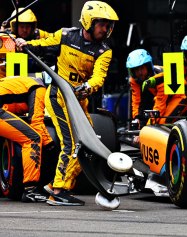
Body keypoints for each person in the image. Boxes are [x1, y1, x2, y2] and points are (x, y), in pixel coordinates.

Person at [15, 0, 119, 206]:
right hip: (57, 96)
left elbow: (99, 78)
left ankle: (54, 186)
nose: (106, 29)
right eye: (103, 24)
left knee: (89, 147)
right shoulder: (65, 35)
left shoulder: (104, 51)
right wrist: (24, 43)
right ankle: (60, 191)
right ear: (89, 22)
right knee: (71, 143)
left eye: (109, 26)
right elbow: (42, 44)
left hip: (79, 101)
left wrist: (87, 88)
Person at [0, 76, 54, 202]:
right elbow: (36, 121)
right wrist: (50, 145)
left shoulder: (22, 84)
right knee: (33, 138)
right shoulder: (40, 88)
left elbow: (13, 109)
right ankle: (30, 190)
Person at [126, 49, 187, 131]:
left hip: (178, 97)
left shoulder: (159, 78)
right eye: (136, 70)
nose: (140, 72)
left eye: (142, 68)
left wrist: (146, 130)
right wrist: (137, 119)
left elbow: (159, 106)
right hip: (158, 98)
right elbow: (137, 102)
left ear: (148, 67)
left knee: (162, 122)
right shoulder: (134, 80)